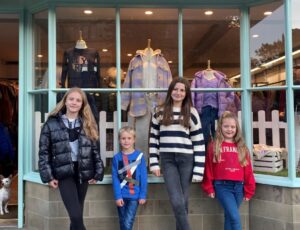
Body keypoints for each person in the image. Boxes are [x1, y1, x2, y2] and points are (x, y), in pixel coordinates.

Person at [38, 87, 104, 230]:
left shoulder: (88, 123)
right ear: (65, 102)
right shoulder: (51, 124)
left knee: (77, 216)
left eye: (78, 100)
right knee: (75, 215)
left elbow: (95, 150)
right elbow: (44, 152)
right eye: (71, 99)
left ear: (82, 104)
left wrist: (98, 172)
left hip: (83, 171)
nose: (74, 102)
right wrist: (49, 176)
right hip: (64, 172)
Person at [149, 77, 206, 230]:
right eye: (175, 89)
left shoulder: (192, 112)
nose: (178, 93)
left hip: (186, 160)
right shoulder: (158, 111)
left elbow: (199, 142)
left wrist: (199, 169)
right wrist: (154, 162)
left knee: (183, 201)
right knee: (176, 200)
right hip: (168, 161)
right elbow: (153, 138)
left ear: (186, 93)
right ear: (170, 91)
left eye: (182, 90)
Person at [201, 111, 256, 230]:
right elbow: (209, 168)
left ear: (237, 128)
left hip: (239, 188)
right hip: (222, 187)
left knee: (229, 217)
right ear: (220, 127)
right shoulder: (214, 146)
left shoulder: (241, 147)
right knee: (235, 218)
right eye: (226, 126)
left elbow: (248, 170)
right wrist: (209, 187)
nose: (229, 129)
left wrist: (249, 189)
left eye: (232, 127)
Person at [112, 126, 147, 230]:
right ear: (119, 140)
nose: (126, 141)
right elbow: (115, 178)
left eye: (129, 138)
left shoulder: (139, 157)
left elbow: (144, 177)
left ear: (134, 139)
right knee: (123, 222)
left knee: (128, 223)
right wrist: (118, 196)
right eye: (123, 138)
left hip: (134, 196)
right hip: (121, 196)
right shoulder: (116, 158)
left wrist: (142, 195)